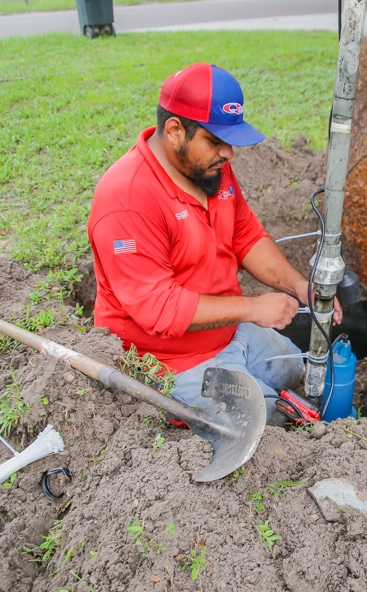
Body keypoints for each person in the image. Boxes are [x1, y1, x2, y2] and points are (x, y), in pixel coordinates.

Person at [88, 62, 342, 426]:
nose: (229, 154)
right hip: (165, 359)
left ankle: (251, 377)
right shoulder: (127, 199)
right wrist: (253, 308)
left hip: (226, 332)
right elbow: (158, 308)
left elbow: (246, 237)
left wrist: (299, 285)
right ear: (175, 130)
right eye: (215, 140)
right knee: (265, 420)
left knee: (290, 367)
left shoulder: (209, 170)